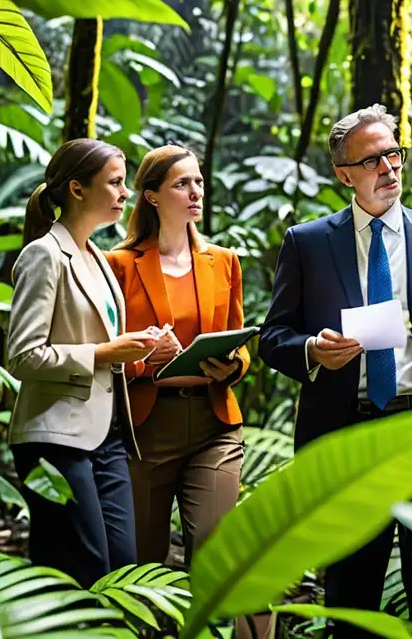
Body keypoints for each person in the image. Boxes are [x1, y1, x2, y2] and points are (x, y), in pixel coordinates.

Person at [259, 104, 412, 638]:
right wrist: (313, 350)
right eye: (373, 160)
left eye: (394, 154)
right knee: (350, 592)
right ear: (344, 174)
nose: (389, 168)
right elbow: (275, 337)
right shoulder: (308, 242)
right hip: (348, 433)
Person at [7, 138, 158, 588]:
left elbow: (100, 344)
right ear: (77, 189)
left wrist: (140, 350)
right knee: (81, 569)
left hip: (107, 435)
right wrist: (104, 354)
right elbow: (22, 355)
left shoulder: (96, 256)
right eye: (114, 183)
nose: (125, 192)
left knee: (123, 569)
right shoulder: (44, 255)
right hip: (53, 436)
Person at [105, 145, 250, 568]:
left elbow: (237, 343)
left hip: (214, 425)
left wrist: (234, 364)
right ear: (151, 195)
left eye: (199, 182)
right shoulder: (118, 265)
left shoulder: (224, 261)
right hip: (144, 429)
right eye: (181, 183)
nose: (195, 192)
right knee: (140, 563)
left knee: (215, 549)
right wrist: (142, 360)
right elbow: (104, 349)